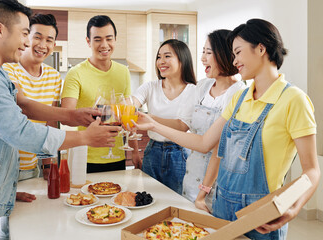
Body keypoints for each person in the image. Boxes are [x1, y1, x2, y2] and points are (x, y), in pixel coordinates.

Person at [134, 19, 320, 239]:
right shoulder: (240, 98)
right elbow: (205, 144)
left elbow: (311, 171)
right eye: (233, 54)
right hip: (221, 206)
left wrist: (293, 208)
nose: (235, 61)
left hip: (261, 214)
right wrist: (154, 125)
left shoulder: (294, 100)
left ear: (261, 48)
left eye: (238, 52)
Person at [0, 1, 120, 239]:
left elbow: (24, 105)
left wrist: (73, 115)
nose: (27, 42)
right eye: (25, 34)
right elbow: (20, 130)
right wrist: (84, 137)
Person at [0, 13, 62, 240]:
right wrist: (75, 117)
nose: (43, 45)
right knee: (9, 230)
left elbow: (50, 122)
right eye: (37, 37)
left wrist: (48, 165)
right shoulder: (8, 69)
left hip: (33, 167)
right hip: (7, 168)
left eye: (49, 40)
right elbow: (25, 108)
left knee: (37, 225)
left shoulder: (54, 78)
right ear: (26, 37)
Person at [61, 15, 140, 173]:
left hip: (116, 155)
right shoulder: (75, 73)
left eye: (109, 38)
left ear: (115, 40)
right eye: (97, 39)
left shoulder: (123, 72)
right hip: (84, 155)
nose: (104, 45)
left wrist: (135, 151)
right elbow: (66, 116)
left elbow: (127, 114)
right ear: (88, 41)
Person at [181, 30, 245, 211]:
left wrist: (202, 194)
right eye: (203, 52)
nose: (202, 58)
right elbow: (185, 126)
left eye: (208, 53)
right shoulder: (203, 85)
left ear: (225, 54)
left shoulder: (238, 93)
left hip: (212, 189)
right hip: (190, 176)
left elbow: (219, 151)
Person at [131, 39, 197, 194]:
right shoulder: (150, 87)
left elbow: (182, 125)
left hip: (179, 154)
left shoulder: (193, 90)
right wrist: (124, 105)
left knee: (178, 201)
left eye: (167, 56)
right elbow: (132, 102)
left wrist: (149, 118)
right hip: (152, 151)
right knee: (150, 199)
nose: (161, 61)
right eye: (159, 57)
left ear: (182, 59)